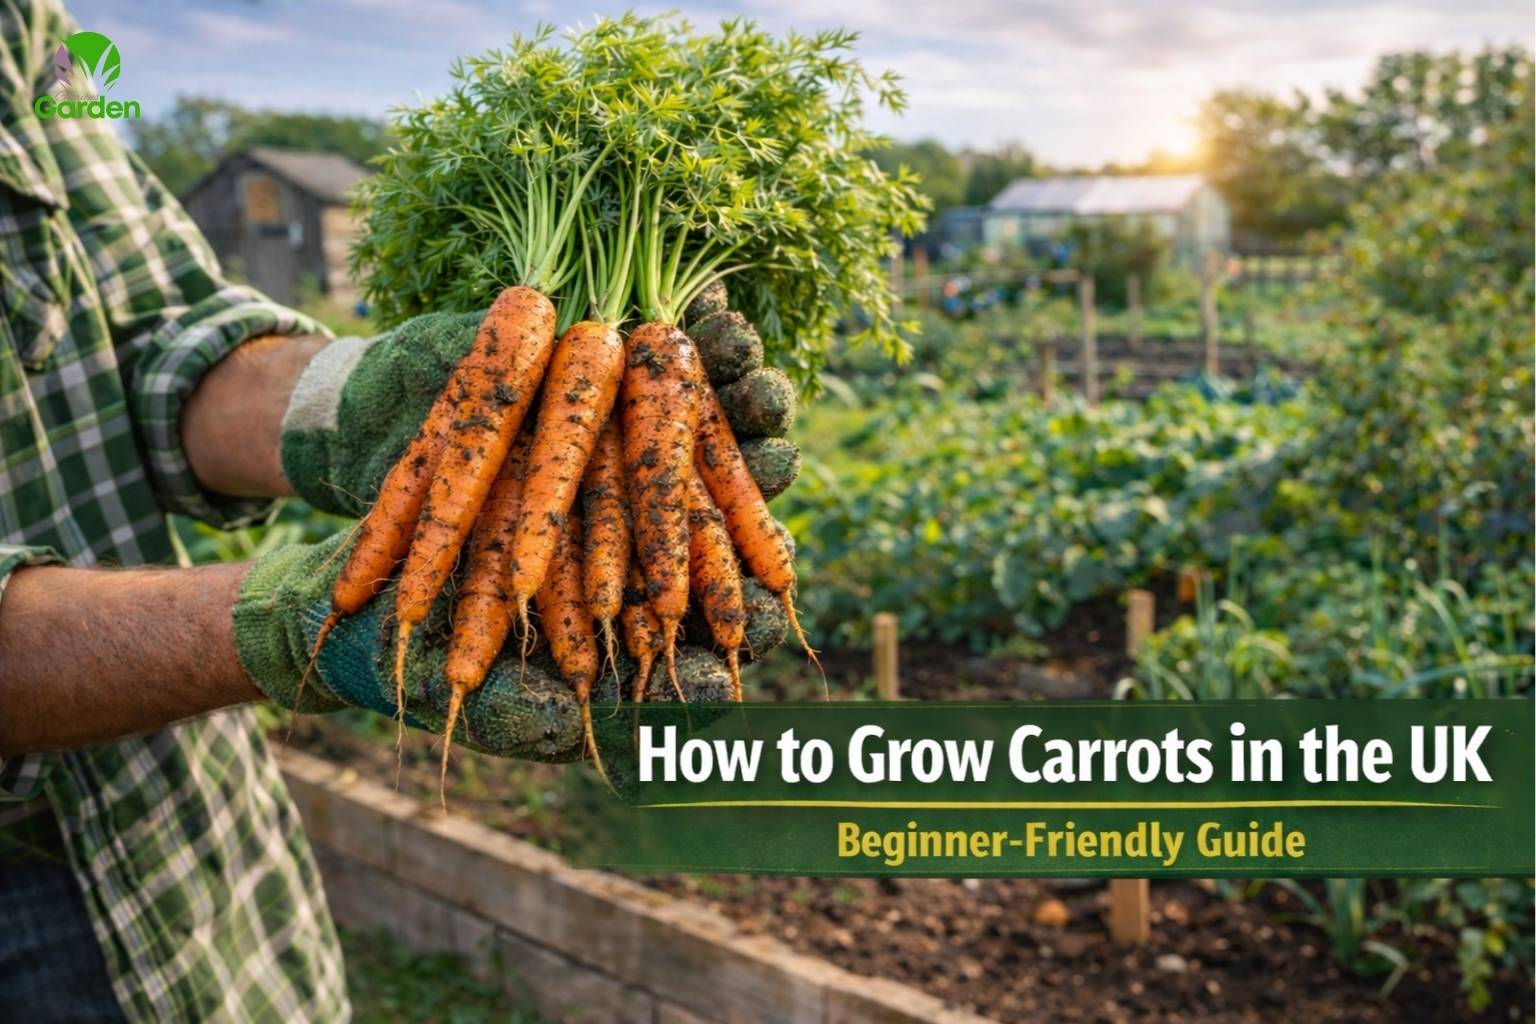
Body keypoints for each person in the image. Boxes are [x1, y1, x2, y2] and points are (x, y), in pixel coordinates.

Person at [0, 1, 796, 1020]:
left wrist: (353, 400)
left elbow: (152, 336)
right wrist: (277, 624)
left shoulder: (27, 28)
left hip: (182, 856)